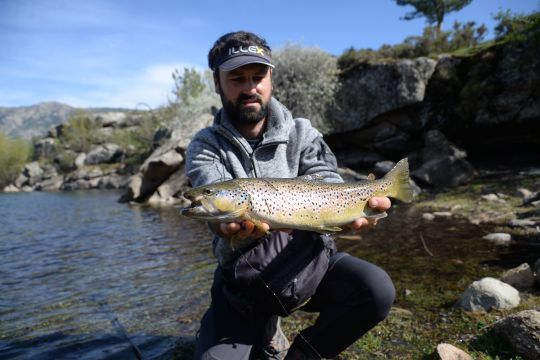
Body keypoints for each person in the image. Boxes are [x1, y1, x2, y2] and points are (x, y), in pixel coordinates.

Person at [185, 31, 395, 360]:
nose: (250, 87)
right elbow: (211, 192)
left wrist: (351, 208)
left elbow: (326, 177)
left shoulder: (302, 131)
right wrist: (221, 226)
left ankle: (300, 355)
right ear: (217, 83)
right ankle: (264, 326)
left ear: (271, 79)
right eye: (237, 78)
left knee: (376, 290)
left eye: (258, 77)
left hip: (308, 258)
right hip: (242, 279)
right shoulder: (205, 145)